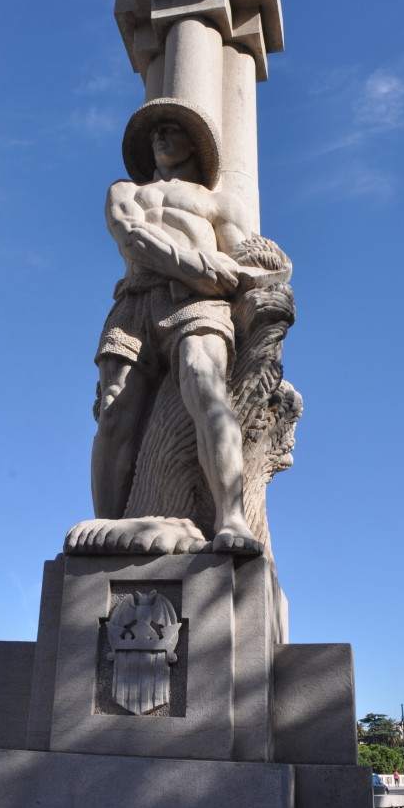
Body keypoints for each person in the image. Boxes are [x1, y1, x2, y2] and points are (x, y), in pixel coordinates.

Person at [92, 99, 283, 554]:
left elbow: (244, 264)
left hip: (199, 305)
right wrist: (202, 266)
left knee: (205, 388)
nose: (159, 135)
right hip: (135, 301)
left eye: (171, 128)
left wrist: (258, 270)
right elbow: (131, 237)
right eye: (154, 130)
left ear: (195, 143)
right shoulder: (125, 191)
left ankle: (231, 519)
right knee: (115, 410)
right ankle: (107, 530)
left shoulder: (219, 202)